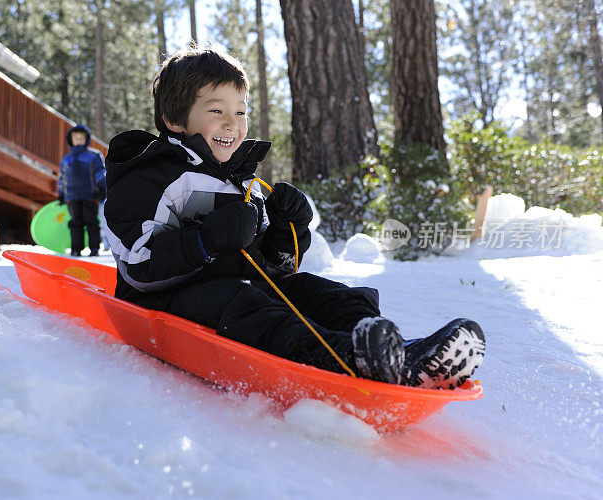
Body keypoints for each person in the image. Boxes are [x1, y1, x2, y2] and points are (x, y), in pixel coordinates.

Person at [103, 48, 485, 388]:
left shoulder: (243, 184)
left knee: (316, 293)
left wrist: (289, 230)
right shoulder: (149, 177)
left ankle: (401, 353)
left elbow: (273, 268)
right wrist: (205, 239)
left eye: (240, 111)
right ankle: (351, 358)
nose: (232, 124)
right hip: (169, 304)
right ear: (174, 118)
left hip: (239, 290)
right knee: (248, 307)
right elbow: (137, 264)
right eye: (216, 110)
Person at [57, 123, 107, 257]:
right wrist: (61, 193)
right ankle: (76, 249)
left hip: (90, 195)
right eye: (76, 138)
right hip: (72, 195)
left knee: (92, 221)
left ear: (86, 140)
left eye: (81, 138)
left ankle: (94, 248)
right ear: (71, 140)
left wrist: (102, 187)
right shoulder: (67, 159)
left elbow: (100, 173)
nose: (78, 141)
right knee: (75, 222)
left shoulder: (94, 156)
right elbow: (62, 177)